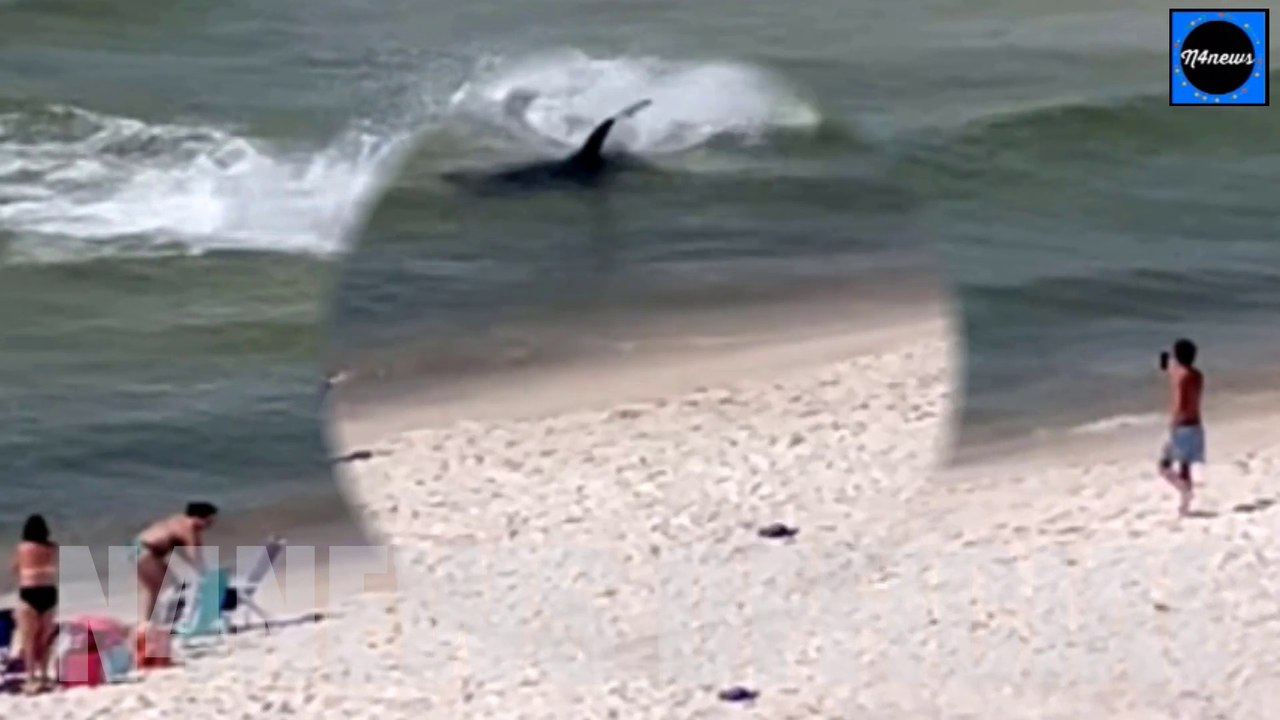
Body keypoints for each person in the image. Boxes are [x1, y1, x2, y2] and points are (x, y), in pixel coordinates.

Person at [132, 502, 217, 627]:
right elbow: (194, 556)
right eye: (209, 521)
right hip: (145, 550)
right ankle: (157, 621)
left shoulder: (179, 521)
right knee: (169, 586)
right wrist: (206, 575)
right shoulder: (188, 528)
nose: (210, 525)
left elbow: (183, 550)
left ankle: (147, 621)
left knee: (150, 589)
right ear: (197, 518)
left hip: (137, 546)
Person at [9, 514, 59, 694]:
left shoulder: (22, 548)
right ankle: (44, 674)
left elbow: (14, 569)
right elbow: (53, 565)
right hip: (49, 593)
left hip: (29, 593)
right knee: (45, 638)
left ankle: (31, 677)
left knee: (28, 638)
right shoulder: (53, 548)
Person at [1158, 338, 1205, 517]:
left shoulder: (1179, 375)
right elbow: (1170, 369)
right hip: (1196, 424)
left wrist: (1173, 425)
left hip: (1182, 424)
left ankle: (1184, 491)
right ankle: (1185, 505)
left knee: (1164, 465)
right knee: (1186, 466)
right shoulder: (1197, 375)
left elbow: (1180, 404)